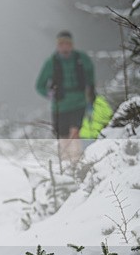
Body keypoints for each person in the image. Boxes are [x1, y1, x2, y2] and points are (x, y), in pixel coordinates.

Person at [35, 30, 96, 160]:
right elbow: (40, 85)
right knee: (63, 136)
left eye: (67, 43)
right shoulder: (51, 62)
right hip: (60, 106)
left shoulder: (82, 59)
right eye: (61, 44)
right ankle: (66, 162)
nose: (64, 46)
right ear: (57, 45)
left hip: (79, 102)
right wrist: (50, 94)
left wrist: (91, 96)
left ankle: (76, 161)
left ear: (72, 44)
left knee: (75, 132)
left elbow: (90, 78)